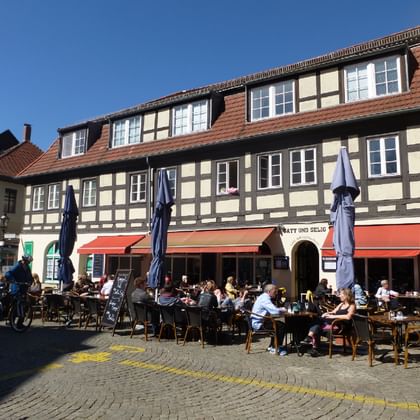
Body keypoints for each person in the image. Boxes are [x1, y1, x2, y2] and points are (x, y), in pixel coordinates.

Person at [300, 288, 356, 357]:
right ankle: (314, 348)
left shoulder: (352, 305)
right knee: (317, 325)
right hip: (334, 322)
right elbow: (333, 312)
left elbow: (348, 317)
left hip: (342, 325)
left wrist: (333, 317)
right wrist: (327, 313)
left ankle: (310, 340)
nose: (339, 296)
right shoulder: (341, 304)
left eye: (341, 294)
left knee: (317, 322)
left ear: (346, 295)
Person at [250, 284, 287, 356]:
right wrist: (283, 309)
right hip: (258, 324)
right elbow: (274, 311)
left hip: (258, 321)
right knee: (281, 325)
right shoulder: (265, 299)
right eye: (275, 292)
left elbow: (272, 310)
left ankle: (272, 345)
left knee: (277, 323)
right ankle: (276, 347)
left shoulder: (263, 297)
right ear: (269, 291)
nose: (276, 293)